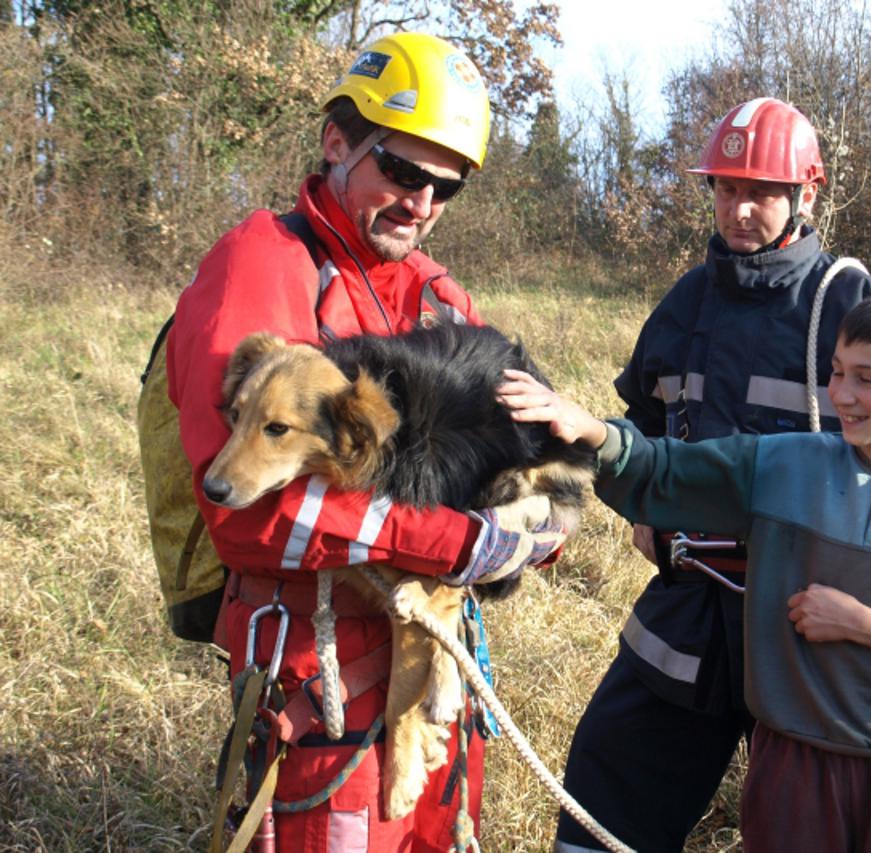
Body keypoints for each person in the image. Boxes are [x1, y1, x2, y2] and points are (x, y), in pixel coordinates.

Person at [166, 32, 565, 852]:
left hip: (438, 673)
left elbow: (518, 457)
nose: (421, 203)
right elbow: (241, 509)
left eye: (444, 187)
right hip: (322, 684)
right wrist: (458, 540)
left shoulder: (438, 297)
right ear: (337, 143)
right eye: (403, 171)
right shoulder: (263, 267)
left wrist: (538, 528)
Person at [548, 97, 871, 852]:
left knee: (815, 825)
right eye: (726, 188)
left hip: (811, 628)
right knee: (604, 789)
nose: (740, 208)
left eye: (761, 191)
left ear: (806, 192)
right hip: (690, 612)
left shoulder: (851, 304)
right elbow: (645, 424)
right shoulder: (686, 302)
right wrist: (644, 509)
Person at [500, 289, 871, 852]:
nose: (843, 395)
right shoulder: (786, 465)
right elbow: (668, 470)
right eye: (835, 372)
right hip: (792, 764)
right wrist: (589, 431)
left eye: (867, 379)